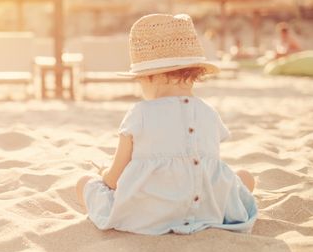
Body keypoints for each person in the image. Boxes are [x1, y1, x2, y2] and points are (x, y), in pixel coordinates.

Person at [76, 13, 257, 235]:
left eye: (140, 79)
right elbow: (204, 168)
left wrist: (104, 173)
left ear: (154, 77)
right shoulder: (209, 113)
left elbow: (115, 180)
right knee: (244, 178)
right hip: (206, 210)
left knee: (84, 183)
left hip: (150, 215)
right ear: (194, 74)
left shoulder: (138, 114)